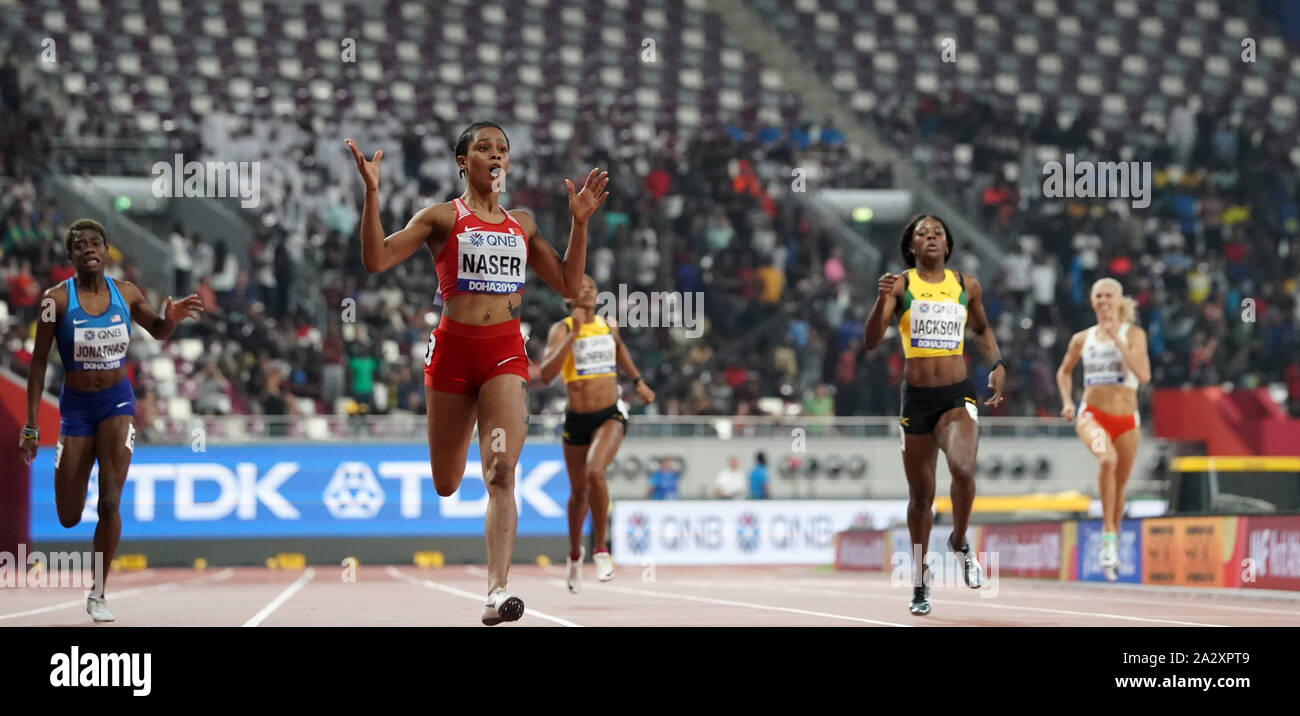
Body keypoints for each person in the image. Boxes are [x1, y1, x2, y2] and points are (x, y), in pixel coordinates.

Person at [346, 122, 607, 625]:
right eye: (483, 148)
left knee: (501, 472)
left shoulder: (523, 225)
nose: (495, 155)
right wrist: (372, 193)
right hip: (451, 354)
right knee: (446, 483)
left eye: (502, 149)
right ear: (463, 162)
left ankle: (496, 591)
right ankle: (468, 464)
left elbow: (572, 287)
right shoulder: (442, 217)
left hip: (506, 353)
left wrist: (580, 224)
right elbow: (375, 259)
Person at [19, 219, 203, 622]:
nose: (88, 248)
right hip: (77, 409)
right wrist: (31, 426)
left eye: (95, 243)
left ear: (106, 251)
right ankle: (79, 474)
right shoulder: (56, 301)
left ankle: (98, 591)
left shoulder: (128, 293)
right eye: (79, 244)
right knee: (68, 515)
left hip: (117, 404)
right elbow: (36, 367)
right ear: (70, 256)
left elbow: (157, 330)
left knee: (111, 501)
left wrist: (170, 318)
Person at [863, 214, 1006, 616]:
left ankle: (959, 542)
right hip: (917, 401)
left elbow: (980, 330)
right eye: (921, 234)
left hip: (956, 396)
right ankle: (921, 581)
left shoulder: (965, 285)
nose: (929, 237)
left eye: (937, 233)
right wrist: (880, 300)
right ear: (910, 246)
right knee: (921, 497)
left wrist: (997, 363)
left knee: (962, 468)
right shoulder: (901, 284)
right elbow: (871, 341)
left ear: (947, 245)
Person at [539, 275, 655, 592]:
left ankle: (601, 549)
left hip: (610, 414)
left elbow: (621, 352)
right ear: (569, 296)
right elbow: (547, 374)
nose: (590, 289)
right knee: (578, 495)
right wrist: (573, 335)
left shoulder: (608, 325)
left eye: (593, 286)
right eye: (582, 286)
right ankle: (575, 556)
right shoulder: (561, 329)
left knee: (594, 472)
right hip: (577, 419)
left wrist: (638, 381)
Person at [1055, 277, 1150, 581]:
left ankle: (1112, 544)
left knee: (1120, 487)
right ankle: (1108, 534)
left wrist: (1117, 339)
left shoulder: (1134, 334)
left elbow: (1143, 375)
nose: (1105, 300)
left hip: (1127, 420)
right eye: (1099, 295)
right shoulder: (1082, 339)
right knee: (1106, 460)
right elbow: (1064, 371)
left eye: (1110, 295)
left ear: (1120, 301)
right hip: (1091, 415)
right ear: (1092, 301)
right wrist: (1068, 402)